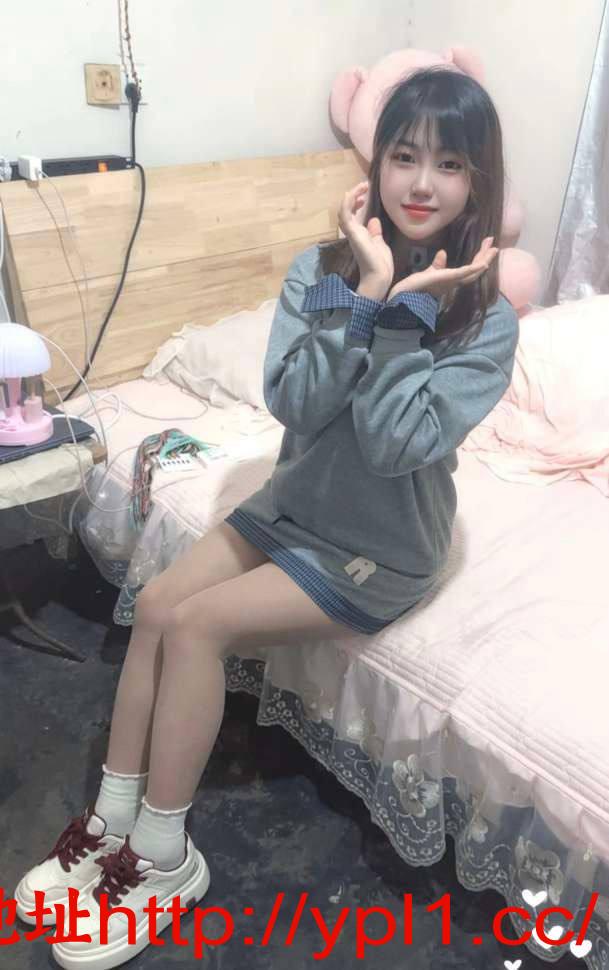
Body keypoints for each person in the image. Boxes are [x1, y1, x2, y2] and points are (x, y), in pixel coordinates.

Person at [14, 65, 518, 968]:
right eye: (403, 156)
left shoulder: (484, 320)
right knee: (159, 603)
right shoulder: (321, 274)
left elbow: (394, 445)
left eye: (448, 164)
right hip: (292, 508)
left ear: (477, 181)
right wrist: (366, 292)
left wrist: (400, 317)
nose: (420, 183)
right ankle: (111, 821)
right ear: (374, 163)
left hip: (382, 547)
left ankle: (164, 859)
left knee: (198, 627)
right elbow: (296, 405)